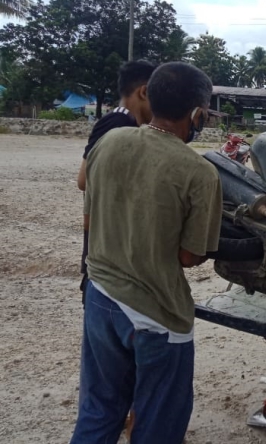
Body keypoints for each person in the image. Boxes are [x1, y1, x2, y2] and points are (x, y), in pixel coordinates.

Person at [71, 61, 223, 444]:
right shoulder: (199, 173)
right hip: (156, 316)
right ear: (197, 114)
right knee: (158, 423)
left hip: (100, 298)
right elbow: (189, 257)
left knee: (99, 410)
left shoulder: (108, 142)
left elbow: (92, 217)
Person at [76, 60, 157, 305]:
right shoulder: (118, 123)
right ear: (143, 92)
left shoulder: (129, 126)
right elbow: (84, 180)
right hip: (107, 257)